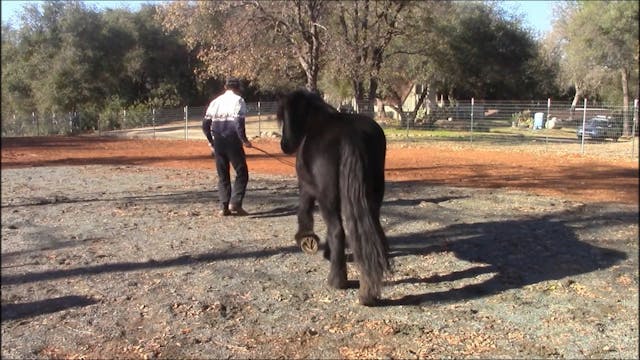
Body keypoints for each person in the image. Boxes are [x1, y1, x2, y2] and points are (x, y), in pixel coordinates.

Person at [203, 77, 252, 216]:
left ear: (225, 87)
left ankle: (223, 207)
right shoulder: (239, 101)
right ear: (238, 88)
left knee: (223, 174)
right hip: (233, 141)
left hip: (218, 142)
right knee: (241, 172)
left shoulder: (215, 102)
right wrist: (244, 140)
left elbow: (205, 125)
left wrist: (211, 141)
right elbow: (238, 123)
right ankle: (235, 203)